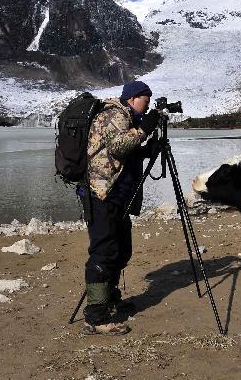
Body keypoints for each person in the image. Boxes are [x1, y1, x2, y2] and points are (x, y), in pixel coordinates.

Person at [81, 79, 161, 335]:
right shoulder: (115, 114)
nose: (147, 107)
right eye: (145, 102)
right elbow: (118, 146)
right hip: (101, 194)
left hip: (118, 195)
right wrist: (145, 129)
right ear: (133, 98)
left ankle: (110, 297)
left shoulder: (128, 117)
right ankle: (96, 316)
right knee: (104, 252)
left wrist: (149, 149)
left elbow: (125, 153)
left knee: (121, 250)